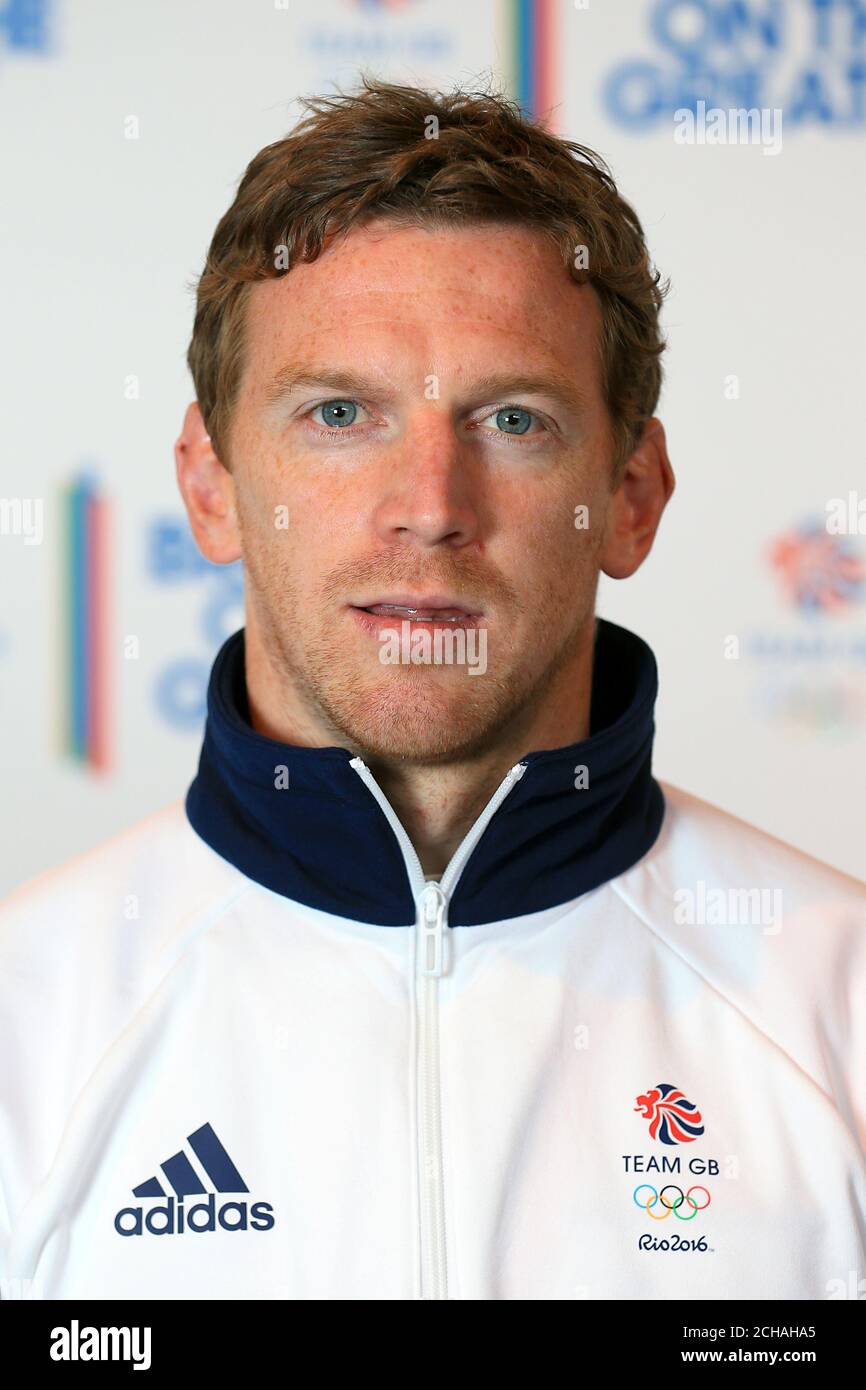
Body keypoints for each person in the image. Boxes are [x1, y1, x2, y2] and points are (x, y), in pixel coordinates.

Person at [1, 76, 863, 1302]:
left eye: (511, 418)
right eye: (340, 412)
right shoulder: (27, 1028)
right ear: (209, 483)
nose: (430, 506)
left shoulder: (839, 1009)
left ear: (630, 493)